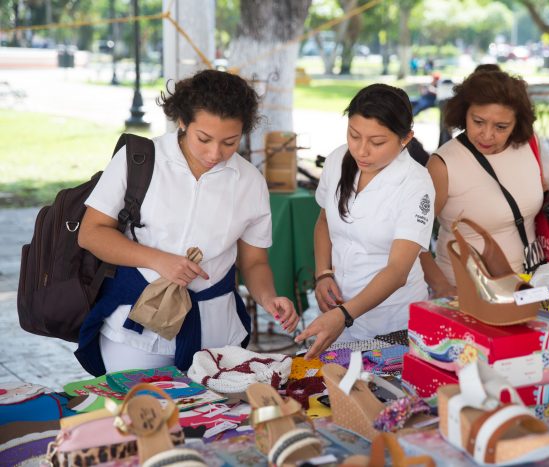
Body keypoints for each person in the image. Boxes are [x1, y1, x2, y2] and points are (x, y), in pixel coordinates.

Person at [75, 69, 298, 375]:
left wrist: (269, 297)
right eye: (203, 138)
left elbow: (255, 262)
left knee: (218, 421)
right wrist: (159, 261)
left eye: (230, 142)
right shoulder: (139, 159)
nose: (215, 153)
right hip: (136, 331)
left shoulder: (250, 181)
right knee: (142, 418)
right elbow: (91, 234)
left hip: (215, 335)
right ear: (182, 121)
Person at [295, 84, 435, 359]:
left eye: (377, 142)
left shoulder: (416, 183)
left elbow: (397, 271)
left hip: (391, 320)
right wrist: (323, 273)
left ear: (405, 138)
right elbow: (324, 220)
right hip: (339, 308)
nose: (362, 151)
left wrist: (344, 314)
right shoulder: (338, 159)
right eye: (354, 135)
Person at [420, 70, 549, 298]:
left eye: (501, 127)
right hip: (468, 293)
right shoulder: (443, 164)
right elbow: (412, 240)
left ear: (517, 124)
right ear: (463, 113)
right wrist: (442, 288)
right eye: (478, 122)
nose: (487, 135)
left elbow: (541, 196)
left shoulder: (528, 145)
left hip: (529, 286)